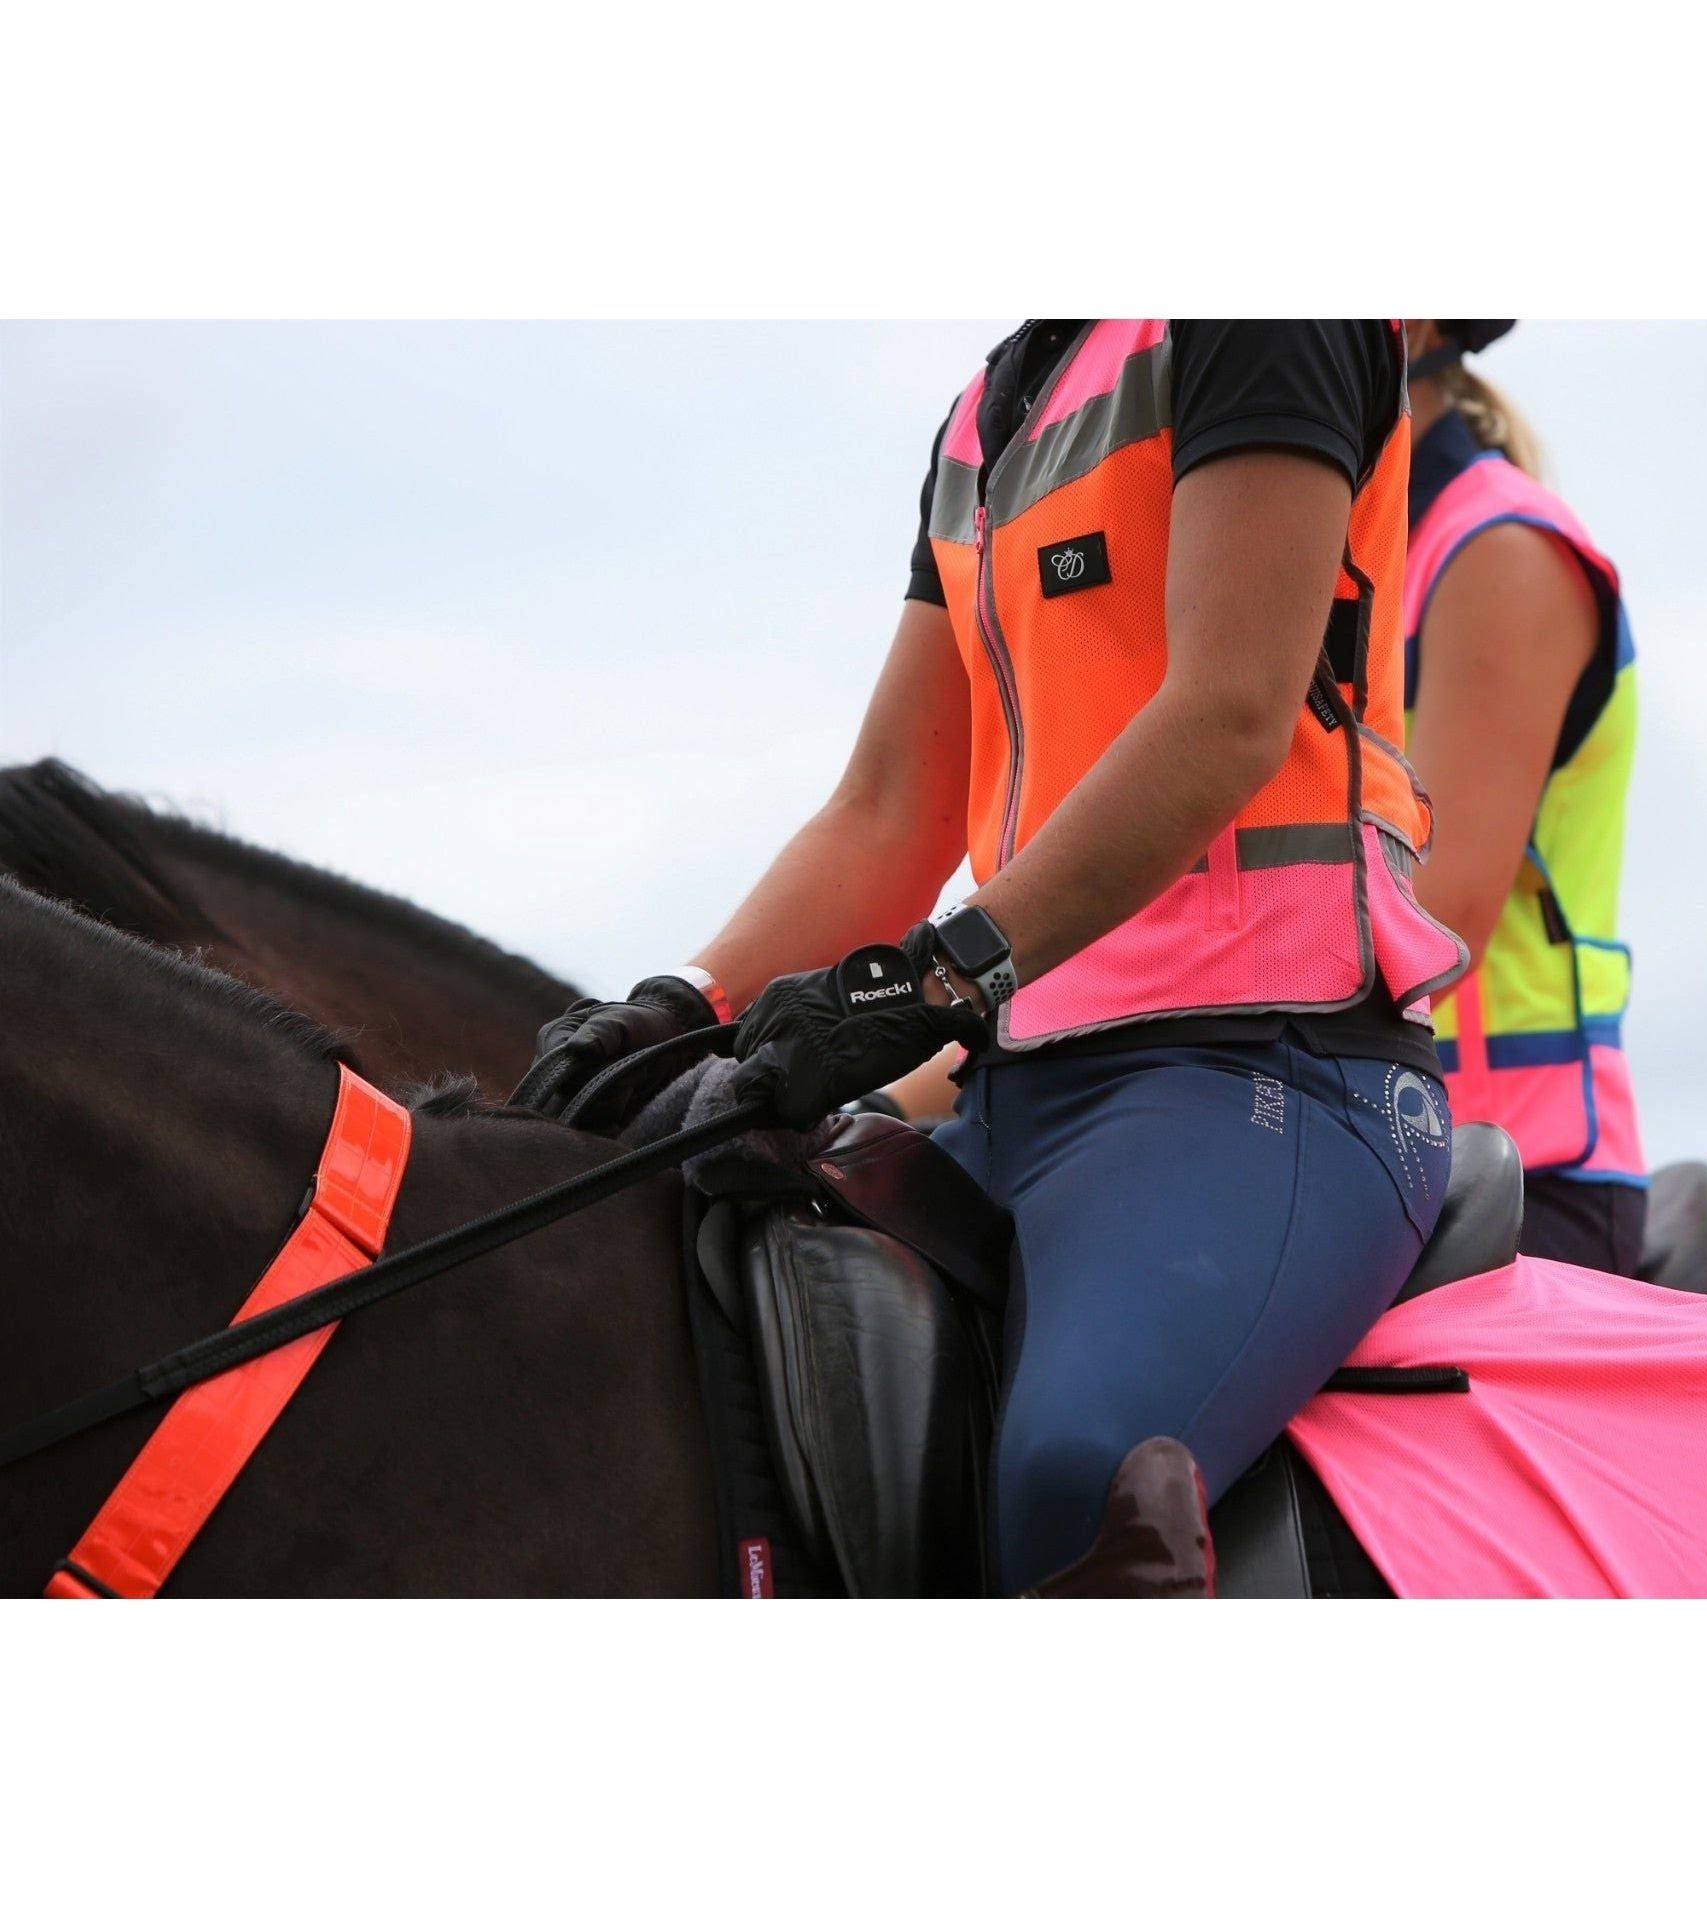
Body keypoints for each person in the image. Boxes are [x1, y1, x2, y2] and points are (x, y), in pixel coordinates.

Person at [526, 321, 1464, 1593]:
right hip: (1023, 1093)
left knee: (1077, 1474)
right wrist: (683, 1007)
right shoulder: (985, 417)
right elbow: (891, 810)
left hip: (1274, 1079)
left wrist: (938, 978)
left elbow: (1231, 710)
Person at [1401, 321, 1647, 1274]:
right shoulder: (1327, 566)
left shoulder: (1497, 550)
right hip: (1381, 1149)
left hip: (1520, 1176)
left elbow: (1437, 922)